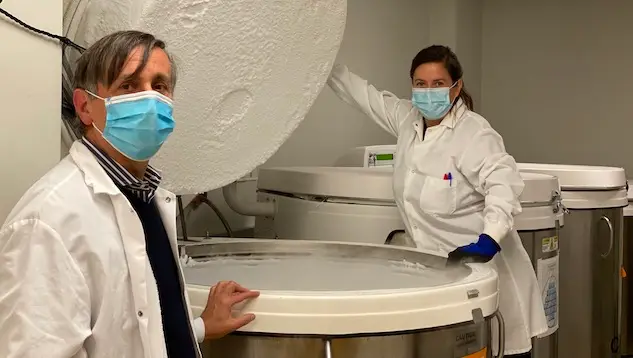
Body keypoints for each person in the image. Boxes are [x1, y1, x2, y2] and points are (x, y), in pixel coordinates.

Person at [0, 30, 259, 357]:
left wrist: (199, 327)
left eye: (160, 86)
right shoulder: (48, 222)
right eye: (129, 86)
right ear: (85, 107)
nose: (150, 100)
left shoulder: (145, 198)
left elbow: (130, 330)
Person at [327, 45, 547, 357]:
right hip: (440, 279)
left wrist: (491, 237)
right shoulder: (407, 121)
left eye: (438, 84)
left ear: (456, 87)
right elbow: (363, 95)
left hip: (484, 275)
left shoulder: (474, 134)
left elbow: (504, 182)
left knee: (492, 349)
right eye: (420, 84)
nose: (428, 92)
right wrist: (321, 62)